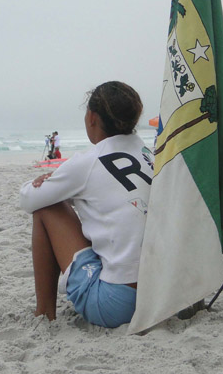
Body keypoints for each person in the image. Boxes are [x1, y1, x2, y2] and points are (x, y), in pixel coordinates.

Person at [19, 81, 152, 328]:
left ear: (92, 118)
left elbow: (27, 199)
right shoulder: (150, 155)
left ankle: (44, 314)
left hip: (117, 304)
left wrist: (47, 185)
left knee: (46, 207)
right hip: (160, 295)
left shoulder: (89, 161)